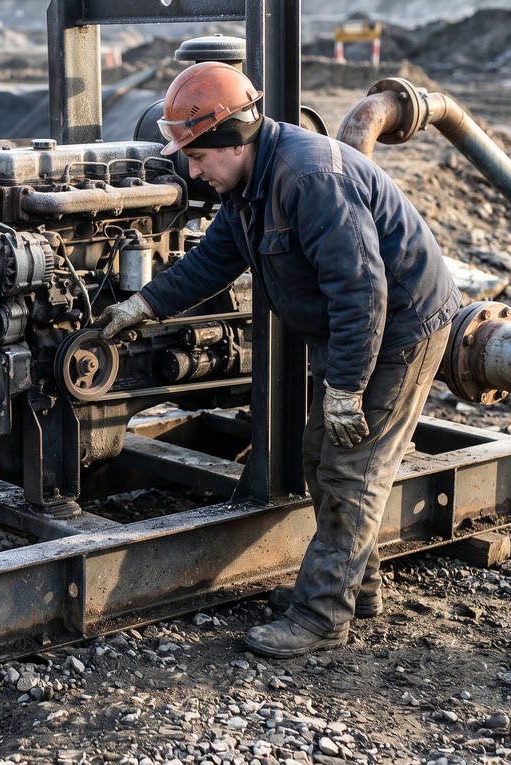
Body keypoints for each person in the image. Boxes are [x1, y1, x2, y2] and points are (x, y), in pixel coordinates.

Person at [96, 62, 461, 658]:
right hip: (358, 329)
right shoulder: (245, 185)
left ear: (233, 140)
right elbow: (214, 259)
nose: (190, 170)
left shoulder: (309, 178)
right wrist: (144, 304)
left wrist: (345, 387)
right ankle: (352, 586)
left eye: (197, 155)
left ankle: (322, 618)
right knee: (319, 457)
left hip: (398, 331)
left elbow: (361, 291)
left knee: (352, 471)